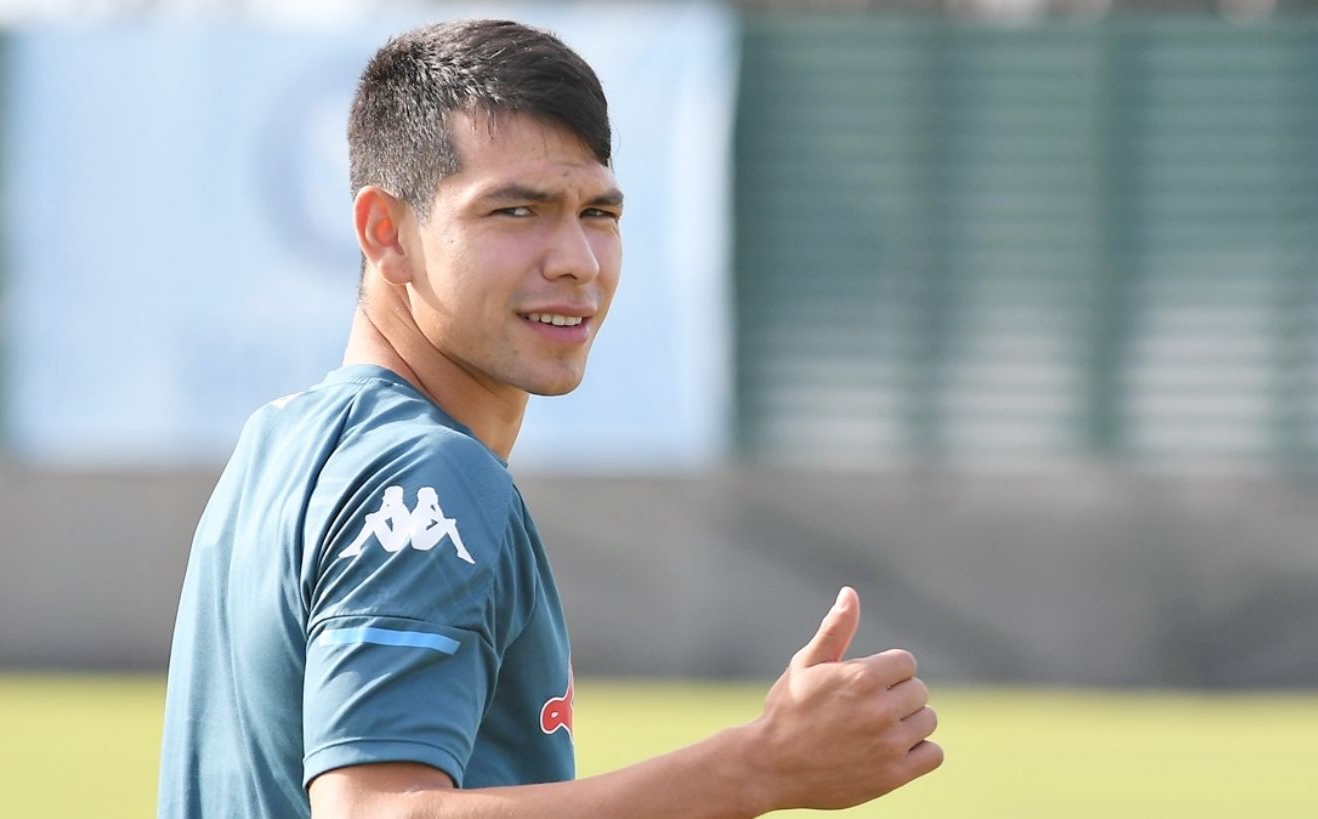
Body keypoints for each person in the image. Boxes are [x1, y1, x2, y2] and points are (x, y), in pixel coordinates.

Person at [157, 18, 941, 819]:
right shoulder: (427, 473)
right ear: (385, 233)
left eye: (598, 212)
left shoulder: (280, 441)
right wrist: (758, 767)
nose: (576, 260)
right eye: (515, 211)